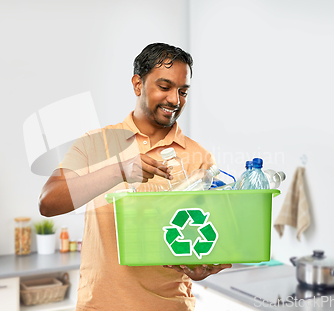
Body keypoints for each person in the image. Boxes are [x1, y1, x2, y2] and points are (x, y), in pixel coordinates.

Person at [39, 43, 232, 311]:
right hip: (101, 305)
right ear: (138, 84)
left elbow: (213, 237)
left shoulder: (199, 157)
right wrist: (119, 170)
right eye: (165, 87)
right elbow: (48, 202)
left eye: (183, 91)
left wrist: (205, 266)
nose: (175, 100)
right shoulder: (95, 144)